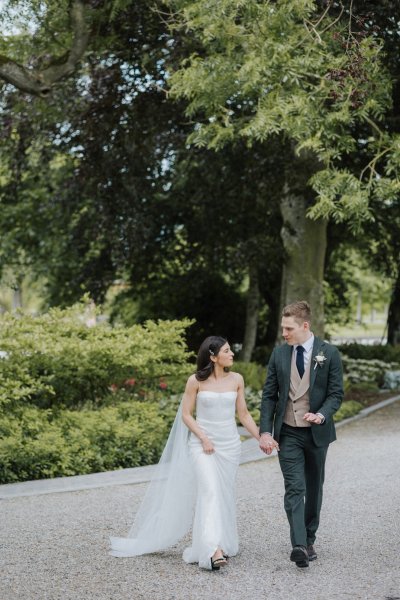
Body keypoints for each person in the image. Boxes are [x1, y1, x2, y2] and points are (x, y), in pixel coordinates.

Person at [110, 335, 260, 571]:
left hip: (230, 446)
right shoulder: (195, 381)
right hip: (202, 445)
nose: (232, 354)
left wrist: (261, 437)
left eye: (231, 350)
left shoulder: (237, 379)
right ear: (213, 356)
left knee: (223, 493)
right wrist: (203, 437)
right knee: (209, 491)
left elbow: (244, 415)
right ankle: (212, 550)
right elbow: (186, 415)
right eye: (227, 351)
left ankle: (222, 541)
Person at [259, 301, 343, 568]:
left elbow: (336, 394)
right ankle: (298, 545)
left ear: (305, 326)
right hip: (288, 433)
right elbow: (270, 396)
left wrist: (322, 414)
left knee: (314, 488)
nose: (284, 333)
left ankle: (309, 537)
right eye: (283, 328)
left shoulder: (329, 353)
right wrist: (264, 431)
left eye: (289, 328)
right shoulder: (279, 355)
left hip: (317, 433)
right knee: (295, 487)